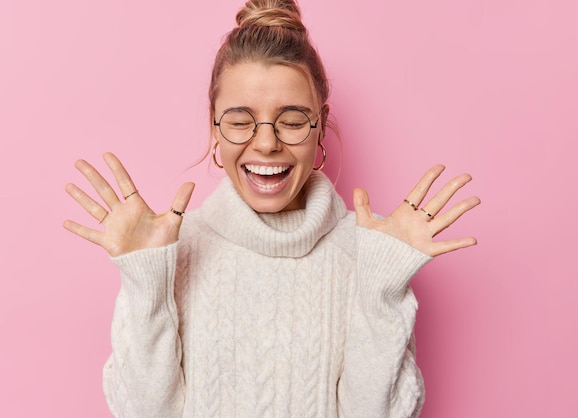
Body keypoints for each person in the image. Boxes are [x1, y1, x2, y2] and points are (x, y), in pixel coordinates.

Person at [63, 0, 480, 416]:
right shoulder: (168, 251)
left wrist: (382, 290)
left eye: (293, 120)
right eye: (240, 121)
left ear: (321, 125)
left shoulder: (368, 255)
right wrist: (146, 282)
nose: (266, 143)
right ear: (214, 127)